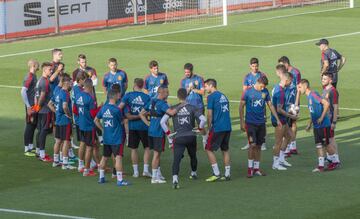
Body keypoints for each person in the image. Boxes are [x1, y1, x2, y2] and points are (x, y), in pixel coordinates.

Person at [160, 88, 206, 189]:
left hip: (179, 137)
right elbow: (203, 119)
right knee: (193, 156)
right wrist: (200, 128)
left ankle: (175, 179)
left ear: (177, 96)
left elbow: (162, 122)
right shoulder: (192, 107)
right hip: (191, 136)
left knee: (176, 159)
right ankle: (193, 173)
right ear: (187, 96)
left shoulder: (174, 108)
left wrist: (169, 134)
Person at [240, 76, 281, 177]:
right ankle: (250, 169)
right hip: (250, 123)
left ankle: (256, 168)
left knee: (258, 145)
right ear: (258, 82)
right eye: (262, 86)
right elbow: (241, 106)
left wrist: (277, 119)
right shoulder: (248, 92)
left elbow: (270, 105)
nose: (263, 88)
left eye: (264, 87)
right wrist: (241, 122)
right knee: (252, 145)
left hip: (261, 124)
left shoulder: (265, 91)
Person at [296, 79, 338, 172]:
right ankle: (321, 166)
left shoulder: (313, 94)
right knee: (319, 145)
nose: (298, 89)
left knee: (326, 144)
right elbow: (313, 112)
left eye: (299, 87)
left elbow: (326, 104)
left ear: (305, 86)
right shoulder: (308, 96)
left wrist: (322, 118)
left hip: (323, 125)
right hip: (316, 126)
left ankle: (335, 162)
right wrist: (309, 124)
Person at [139, 85, 177, 184]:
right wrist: (181, 105)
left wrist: (148, 124)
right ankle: (154, 178)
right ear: (161, 92)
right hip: (159, 132)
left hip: (151, 131)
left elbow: (141, 113)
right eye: (167, 92)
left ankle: (158, 174)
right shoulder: (162, 104)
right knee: (156, 155)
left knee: (157, 154)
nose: (168, 94)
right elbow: (172, 113)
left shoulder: (152, 101)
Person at [95, 89, 131, 186]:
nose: (119, 96)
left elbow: (96, 120)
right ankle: (120, 180)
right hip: (117, 138)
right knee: (118, 158)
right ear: (114, 96)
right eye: (118, 95)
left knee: (105, 157)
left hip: (107, 137)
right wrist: (125, 122)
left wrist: (103, 129)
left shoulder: (103, 108)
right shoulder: (117, 110)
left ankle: (101, 178)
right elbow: (122, 121)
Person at [119, 78, 152, 178]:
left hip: (132, 126)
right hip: (144, 127)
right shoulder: (147, 97)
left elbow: (120, 107)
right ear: (142, 86)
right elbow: (149, 111)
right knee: (147, 148)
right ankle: (145, 170)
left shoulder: (128, 95)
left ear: (134, 85)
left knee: (134, 149)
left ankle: (136, 172)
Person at [204, 79, 231, 182]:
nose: (205, 88)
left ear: (211, 85)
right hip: (227, 127)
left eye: (206, 86)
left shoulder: (211, 97)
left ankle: (216, 173)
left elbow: (210, 114)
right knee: (225, 150)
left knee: (208, 149)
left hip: (218, 127)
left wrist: (208, 127)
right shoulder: (224, 96)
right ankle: (227, 174)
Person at [48, 74, 76, 170]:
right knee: (66, 142)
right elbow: (64, 106)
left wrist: (57, 112)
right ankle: (65, 163)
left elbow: (50, 104)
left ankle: (55, 161)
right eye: (70, 83)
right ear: (66, 83)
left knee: (58, 141)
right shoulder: (65, 93)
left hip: (58, 120)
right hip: (65, 121)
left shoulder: (58, 92)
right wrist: (68, 115)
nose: (71, 84)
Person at [271, 67, 296, 171]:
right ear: (286, 80)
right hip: (279, 120)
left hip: (283, 118)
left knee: (290, 135)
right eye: (290, 81)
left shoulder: (280, 88)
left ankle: (281, 159)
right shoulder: (280, 92)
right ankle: (275, 163)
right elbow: (279, 109)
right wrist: (291, 116)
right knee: (278, 142)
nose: (290, 83)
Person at [76, 79, 100, 176]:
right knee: (90, 148)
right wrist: (100, 108)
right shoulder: (89, 98)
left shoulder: (78, 96)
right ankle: (86, 170)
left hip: (80, 124)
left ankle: (81, 165)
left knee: (82, 143)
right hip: (89, 126)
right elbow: (93, 114)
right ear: (90, 87)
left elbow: (75, 110)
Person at [242, 58, 267, 151]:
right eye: (253, 66)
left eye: (256, 66)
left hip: (260, 102)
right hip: (250, 102)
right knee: (248, 123)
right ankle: (249, 142)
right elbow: (244, 89)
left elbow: (264, 88)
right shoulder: (247, 76)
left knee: (263, 122)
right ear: (250, 66)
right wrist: (253, 87)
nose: (255, 68)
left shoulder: (262, 75)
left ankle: (263, 142)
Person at [180, 63, 207, 147]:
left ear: (191, 71)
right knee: (189, 127)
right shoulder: (183, 81)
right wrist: (188, 89)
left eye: (188, 72)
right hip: (188, 107)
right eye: (185, 72)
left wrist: (194, 89)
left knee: (201, 125)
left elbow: (203, 92)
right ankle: (192, 143)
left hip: (198, 106)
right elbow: (183, 95)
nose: (186, 74)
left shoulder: (199, 79)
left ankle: (205, 139)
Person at [278, 56, 301, 155]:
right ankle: (287, 147)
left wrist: (296, 102)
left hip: (293, 101)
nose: (281, 67)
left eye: (281, 65)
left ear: (286, 64)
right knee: (286, 124)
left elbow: (298, 87)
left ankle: (292, 146)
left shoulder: (296, 72)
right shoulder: (284, 73)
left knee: (293, 123)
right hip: (285, 102)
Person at [33, 62, 54, 162]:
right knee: (43, 131)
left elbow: (36, 96)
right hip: (45, 110)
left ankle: (38, 151)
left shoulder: (39, 80)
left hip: (41, 110)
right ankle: (42, 154)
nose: (51, 71)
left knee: (40, 130)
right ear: (44, 70)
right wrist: (38, 107)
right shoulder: (45, 82)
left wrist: (36, 108)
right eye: (50, 69)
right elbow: (42, 96)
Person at [321, 73, 341, 167]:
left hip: (329, 120)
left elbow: (336, 107)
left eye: (325, 79)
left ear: (330, 80)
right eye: (323, 78)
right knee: (329, 139)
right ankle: (331, 157)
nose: (323, 80)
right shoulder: (325, 89)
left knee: (330, 140)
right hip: (325, 119)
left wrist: (334, 122)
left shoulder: (333, 91)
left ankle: (335, 159)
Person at [21, 59, 39, 157]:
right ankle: (26, 148)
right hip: (30, 105)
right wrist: (28, 106)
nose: (39, 65)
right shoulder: (29, 77)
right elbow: (23, 91)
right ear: (34, 65)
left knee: (33, 125)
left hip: (34, 105)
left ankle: (31, 147)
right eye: (37, 64)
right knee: (29, 125)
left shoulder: (34, 76)